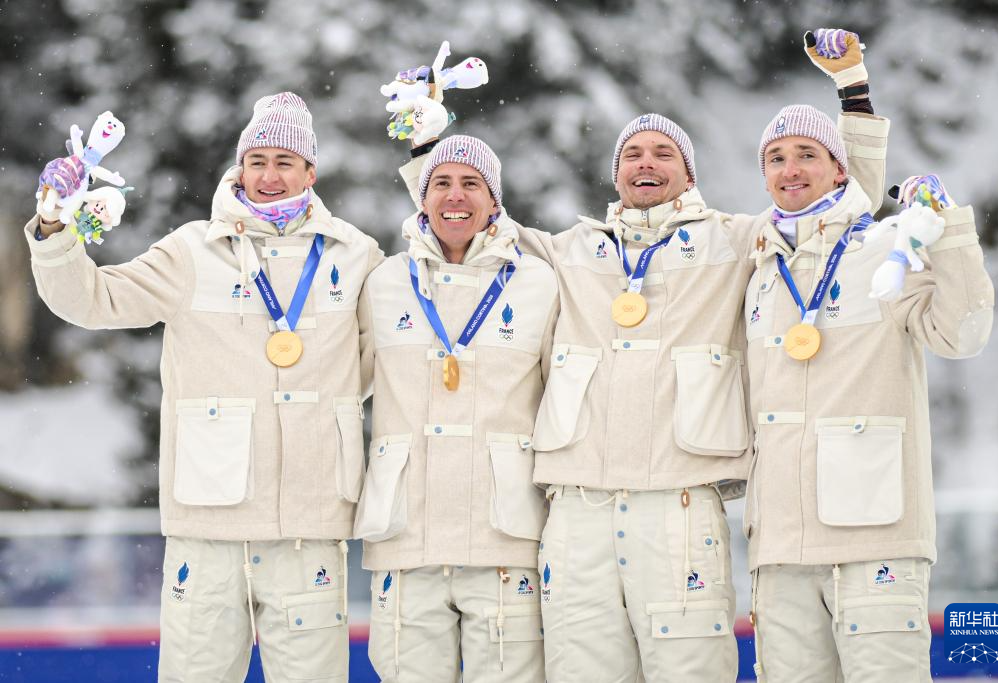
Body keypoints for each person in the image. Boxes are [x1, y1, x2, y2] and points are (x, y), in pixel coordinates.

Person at [526, 28, 890, 683]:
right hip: (578, 506)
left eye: (663, 152)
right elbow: (467, 223)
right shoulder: (569, 249)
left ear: (688, 174)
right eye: (633, 152)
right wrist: (425, 148)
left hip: (682, 503)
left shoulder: (735, 240)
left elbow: (837, 206)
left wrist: (854, 95)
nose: (646, 162)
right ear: (615, 172)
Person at [25, 92, 383, 682]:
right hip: (208, 526)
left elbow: (379, 362)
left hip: (311, 525)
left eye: (285, 162)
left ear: (310, 173)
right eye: (257, 161)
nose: (269, 175)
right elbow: (91, 300)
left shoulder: (356, 254)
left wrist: (325, 412)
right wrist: (53, 227)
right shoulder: (191, 250)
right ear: (240, 167)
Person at [743, 103, 994, 681]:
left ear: (840, 169)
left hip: (876, 538)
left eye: (807, 154)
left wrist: (949, 229)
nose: (790, 169)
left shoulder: (886, 249)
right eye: (776, 158)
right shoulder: (758, 270)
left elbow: (963, 334)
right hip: (779, 548)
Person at [354, 132, 557, 682]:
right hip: (406, 534)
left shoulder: (539, 283)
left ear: (495, 200)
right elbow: (341, 383)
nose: (455, 196)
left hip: (505, 533)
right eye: (440, 183)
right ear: (421, 199)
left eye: (472, 183)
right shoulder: (383, 282)